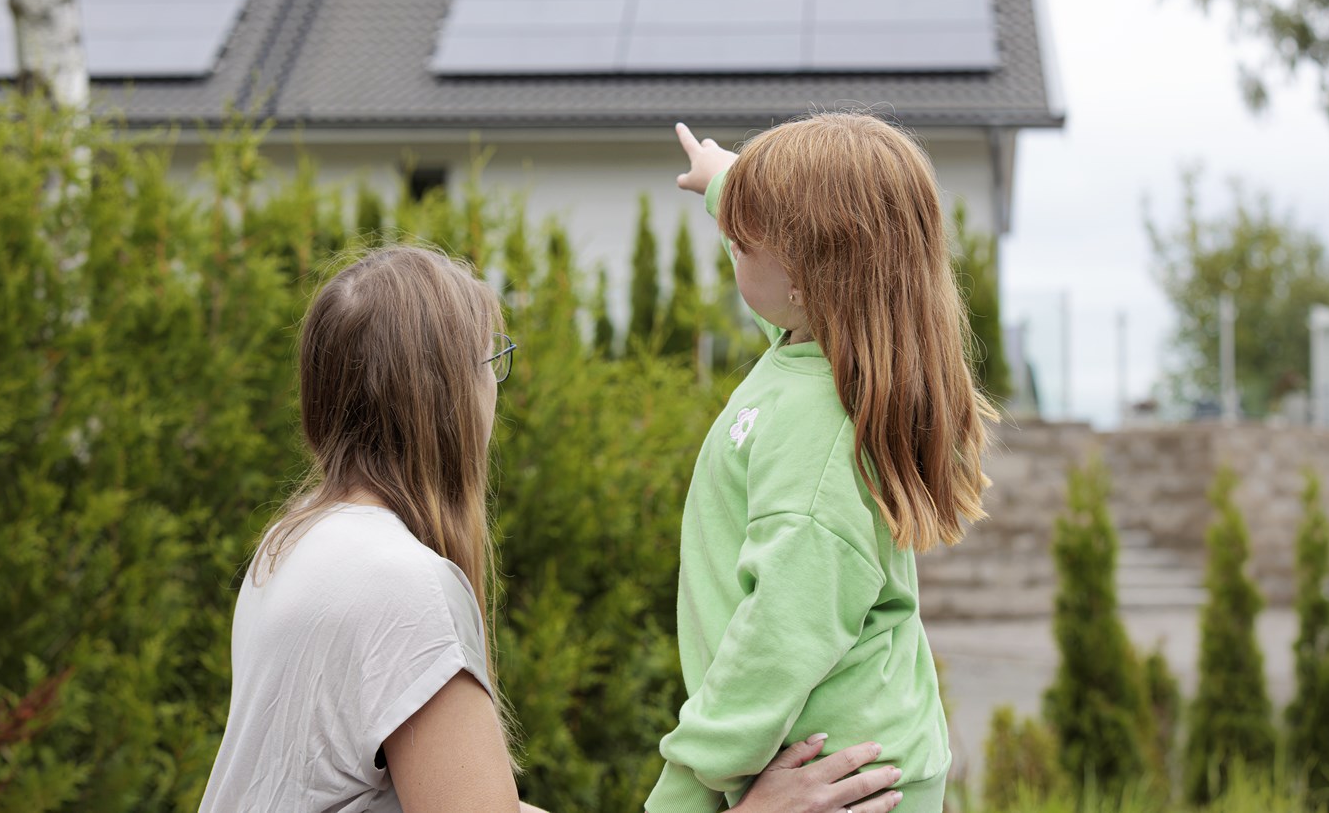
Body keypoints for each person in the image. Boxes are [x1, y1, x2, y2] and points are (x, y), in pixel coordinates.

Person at [199, 244, 905, 813]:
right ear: (445, 396)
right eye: (490, 363)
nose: (494, 392)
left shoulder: (297, 545)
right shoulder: (401, 585)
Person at [650, 116, 997, 813]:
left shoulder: (818, 430)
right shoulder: (816, 355)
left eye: (743, 240)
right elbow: (778, 289)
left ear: (806, 277)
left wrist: (684, 788)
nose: (731, 246)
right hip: (834, 752)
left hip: (831, 780)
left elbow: (778, 638)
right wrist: (725, 182)